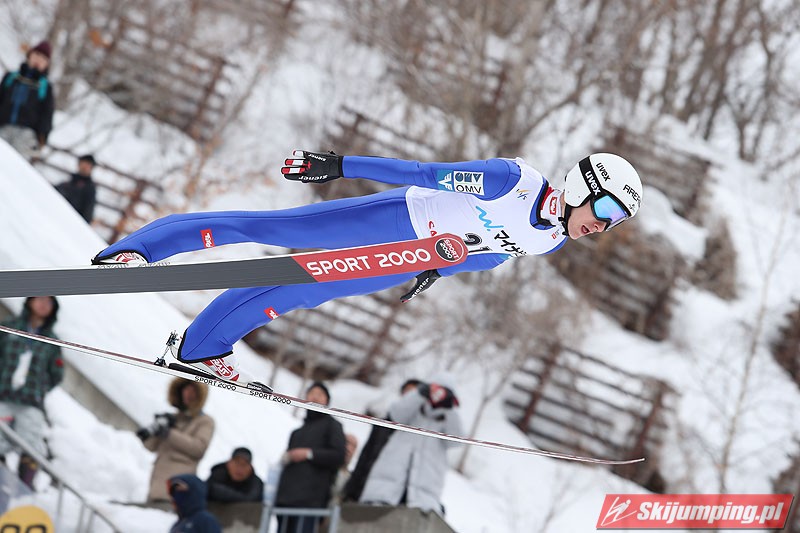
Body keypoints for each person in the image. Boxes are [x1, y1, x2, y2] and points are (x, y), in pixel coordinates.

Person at [91, 151, 643, 385]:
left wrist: (436, 270)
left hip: (407, 258)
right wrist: (341, 165)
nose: (602, 225)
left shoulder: (550, 240)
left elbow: (493, 251)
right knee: (268, 228)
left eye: (614, 222)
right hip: (395, 219)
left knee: (297, 290)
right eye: (605, 210)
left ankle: (200, 348)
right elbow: (424, 173)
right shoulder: (511, 182)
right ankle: (135, 252)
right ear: (581, 186)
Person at [359, 374, 463, 516]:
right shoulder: (413, 410)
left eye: (443, 392)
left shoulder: (446, 423)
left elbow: (456, 440)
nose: (438, 395)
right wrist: (419, 394)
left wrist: (450, 407)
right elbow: (395, 414)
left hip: (423, 497)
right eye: (436, 390)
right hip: (386, 488)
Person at [0, 296, 64, 489]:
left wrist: (39, 388)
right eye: (40, 299)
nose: (43, 304)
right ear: (30, 301)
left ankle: (23, 490)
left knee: (31, 445)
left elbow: (56, 374)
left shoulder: (51, 341)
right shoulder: (9, 327)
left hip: (31, 401)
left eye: (49, 302)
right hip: (4, 396)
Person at [275, 381, 345, 533]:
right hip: (286, 500)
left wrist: (309, 454)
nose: (315, 397)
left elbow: (339, 456)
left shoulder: (332, 426)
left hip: (310, 502)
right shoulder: (296, 432)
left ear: (327, 400)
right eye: (312, 393)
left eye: (320, 394)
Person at [342, 378, 420, 502]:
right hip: (370, 490)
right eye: (406, 392)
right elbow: (366, 457)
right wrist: (352, 489)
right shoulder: (383, 424)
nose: (409, 397)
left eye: (414, 393)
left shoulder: (422, 431)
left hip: (400, 498)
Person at [136, 377, 214, 503]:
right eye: (186, 389)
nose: (188, 394)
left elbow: (199, 448)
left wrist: (169, 433)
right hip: (156, 487)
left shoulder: (205, 421)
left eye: (194, 391)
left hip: (178, 489)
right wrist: (150, 434)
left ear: (200, 396)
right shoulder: (172, 418)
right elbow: (152, 447)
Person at [0, 40, 55, 161]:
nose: (38, 59)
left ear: (47, 64)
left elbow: (47, 114)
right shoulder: (11, 78)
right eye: (37, 54)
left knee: (16, 163)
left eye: (43, 58)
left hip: (26, 133)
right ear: (29, 55)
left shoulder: (44, 86)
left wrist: (42, 137)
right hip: (3, 127)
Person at [55, 154, 97, 223]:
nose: (84, 167)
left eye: (88, 165)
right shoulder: (67, 184)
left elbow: (88, 213)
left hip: (71, 221)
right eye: (83, 163)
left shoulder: (90, 189)